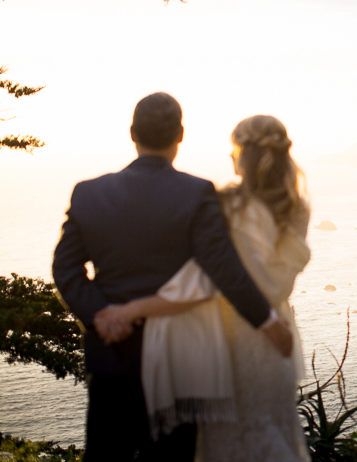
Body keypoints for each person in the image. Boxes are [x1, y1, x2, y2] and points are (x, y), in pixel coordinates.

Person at [52, 93, 293, 462]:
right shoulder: (196, 193)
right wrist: (266, 319)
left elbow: (65, 269)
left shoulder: (88, 193)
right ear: (180, 135)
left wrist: (101, 315)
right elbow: (223, 267)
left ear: (132, 133)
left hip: (112, 357)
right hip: (182, 362)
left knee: (105, 455)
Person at [102, 114, 312, 461]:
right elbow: (275, 284)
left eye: (234, 148)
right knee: (273, 430)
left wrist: (134, 308)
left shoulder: (225, 206)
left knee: (224, 442)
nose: (230, 156)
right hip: (276, 343)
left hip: (226, 341)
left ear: (245, 155)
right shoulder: (296, 209)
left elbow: (203, 280)